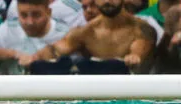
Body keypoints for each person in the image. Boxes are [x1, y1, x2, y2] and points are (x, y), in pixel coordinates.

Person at [23, 0, 154, 67]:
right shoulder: (85, 32)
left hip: (136, 99)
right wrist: (34, 57)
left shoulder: (142, 28)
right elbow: (55, 50)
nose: (107, 0)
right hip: (97, 99)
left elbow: (138, 51)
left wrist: (134, 57)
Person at [0, 0, 73, 71]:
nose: (29, 22)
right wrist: (14, 54)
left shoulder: (64, 34)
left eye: (36, 15)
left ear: (48, 12)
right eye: (23, 15)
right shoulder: (11, 28)